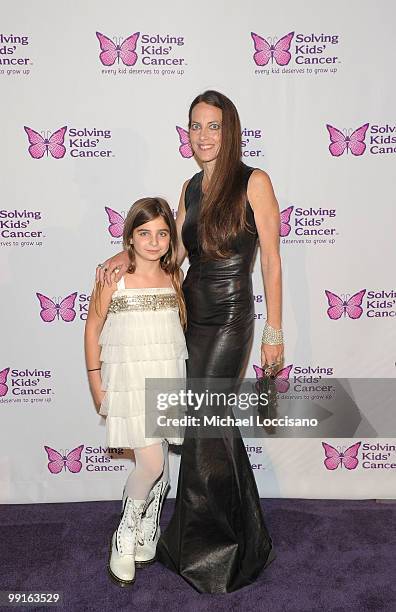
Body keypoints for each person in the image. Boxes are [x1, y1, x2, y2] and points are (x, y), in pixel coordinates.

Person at [98, 90, 283, 593]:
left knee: (204, 424)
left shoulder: (254, 181)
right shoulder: (190, 187)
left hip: (230, 319)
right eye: (195, 126)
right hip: (191, 316)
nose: (203, 135)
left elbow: (270, 260)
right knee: (213, 423)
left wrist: (274, 332)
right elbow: (175, 252)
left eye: (213, 126)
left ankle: (210, 551)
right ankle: (244, 533)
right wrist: (126, 260)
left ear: (230, 130)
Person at [85, 197, 188, 587]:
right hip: (128, 378)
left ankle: (150, 521)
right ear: (129, 237)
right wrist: (96, 380)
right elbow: (92, 327)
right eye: (144, 233)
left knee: (158, 452)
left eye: (162, 233)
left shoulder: (174, 275)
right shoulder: (115, 278)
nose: (154, 241)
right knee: (152, 463)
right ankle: (124, 533)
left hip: (166, 375)